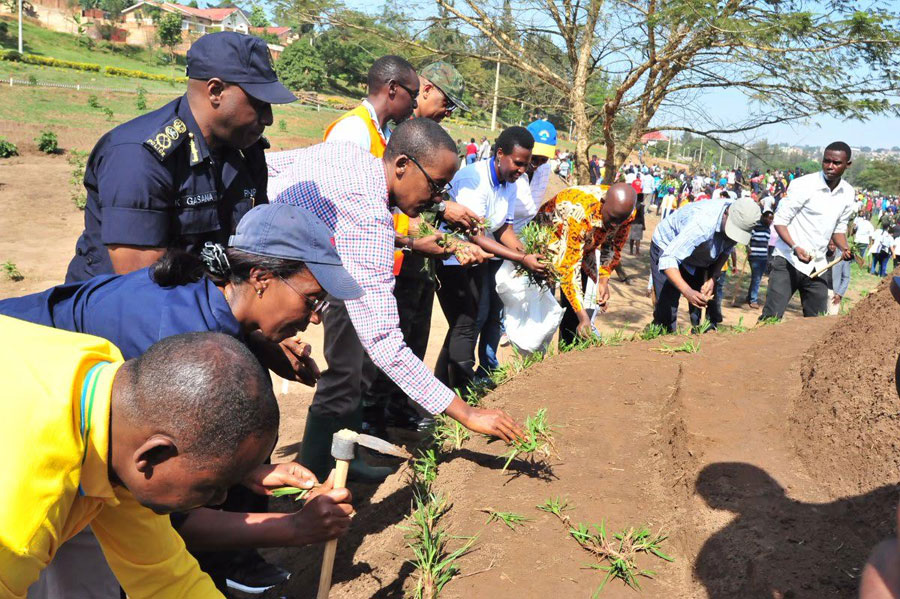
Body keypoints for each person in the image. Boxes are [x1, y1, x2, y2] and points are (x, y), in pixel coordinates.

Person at [7, 205, 357, 596]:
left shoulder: (120, 423)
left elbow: (167, 576)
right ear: (260, 277)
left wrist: (244, 470)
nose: (315, 319)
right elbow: (178, 521)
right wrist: (292, 528)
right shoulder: (22, 522)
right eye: (312, 300)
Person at [266, 118, 524, 483]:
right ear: (402, 165)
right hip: (257, 281)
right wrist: (467, 414)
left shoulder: (348, 156)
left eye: (444, 189)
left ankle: (336, 462)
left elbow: (270, 168)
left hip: (254, 263)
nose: (437, 198)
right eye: (435, 185)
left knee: (350, 374)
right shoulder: (372, 218)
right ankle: (303, 483)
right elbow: (386, 343)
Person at [0, 320, 280, 598]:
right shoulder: (20, 528)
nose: (220, 499)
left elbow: (165, 579)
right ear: (153, 455)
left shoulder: (107, 397)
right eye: (212, 486)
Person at [65, 32, 296, 283]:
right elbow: (141, 286)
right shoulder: (139, 157)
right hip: (120, 313)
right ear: (215, 91)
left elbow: (256, 244)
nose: (268, 119)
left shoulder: (245, 151)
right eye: (260, 103)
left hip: (207, 303)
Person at [437, 126, 547, 387]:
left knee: (467, 324)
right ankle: (458, 391)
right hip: (451, 257)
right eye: (518, 163)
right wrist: (521, 260)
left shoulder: (510, 183)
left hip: (476, 259)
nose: (522, 170)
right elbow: (475, 234)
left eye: (526, 165)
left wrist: (527, 254)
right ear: (500, 154)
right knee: (465, 324)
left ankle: (444, 387)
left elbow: (502, 228)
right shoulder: (474, 179)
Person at [760, 142, 855, 320]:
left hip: (817, 266)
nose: (830, 166)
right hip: (788, 260)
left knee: (816, 323)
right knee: (771, 317)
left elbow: (839, 229)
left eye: (836, 163)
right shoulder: (803, 185)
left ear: (847, 164)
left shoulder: (848, 193)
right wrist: (795, 246)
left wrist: (845, 248)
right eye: (826, 161)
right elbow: (780, 221)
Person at [537, 184, 637, 345]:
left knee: (575, 310)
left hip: (585, 244)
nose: (614, 225)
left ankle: (568, 352)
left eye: (620, 221)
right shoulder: (579, 212)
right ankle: (539, 361)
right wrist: (584, 317)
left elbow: (613, 245)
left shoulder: (626, 213)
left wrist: (604, 279)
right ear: (603, 203)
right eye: (611, 218)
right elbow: (569, 268)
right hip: (552, 238)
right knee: (544, 306)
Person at [650, 197, 761, 332]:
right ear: (726, 213)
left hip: (701, 254)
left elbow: (726, 249)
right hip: (668, 247)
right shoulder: (702, 223)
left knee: (703, 301)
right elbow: (669, 259)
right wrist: (687, 291)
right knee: (667, 306)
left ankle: (702, 334)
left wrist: (713, 277)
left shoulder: (740, 218)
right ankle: (663, 333)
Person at [746, 209, 775, 308]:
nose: (770, 220)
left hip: (763, 257)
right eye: (769, 218)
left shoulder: (768, 229)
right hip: (754, 257)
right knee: (757, 278)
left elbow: (766, 244)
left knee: (756, 278)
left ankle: (750, 297)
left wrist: (767, 257)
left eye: (772, 219)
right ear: (763, 217)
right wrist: (747, 248)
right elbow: (746, 239)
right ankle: (753, 300)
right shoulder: (755, 227)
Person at [826, 239, 851, 315]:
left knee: (832, 316)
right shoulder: (822, 255)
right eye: (830, 245)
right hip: (822, 290)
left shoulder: (842, 257)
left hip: (834, 292)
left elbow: (846, 278)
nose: (832, 247)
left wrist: (839, 294)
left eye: (834, 245)